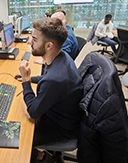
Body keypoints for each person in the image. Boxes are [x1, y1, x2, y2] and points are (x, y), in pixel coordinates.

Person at [17, 18, 83, 163]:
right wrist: (32, 77)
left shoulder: (55, 79)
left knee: (16, 138)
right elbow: (47, 76)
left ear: (48, 45)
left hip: (59, 129)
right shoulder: (61, 57)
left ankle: (41, 157)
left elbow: (33, 111)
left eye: (34, 39)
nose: (30, 43)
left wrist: (26, 81)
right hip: (65, 117)